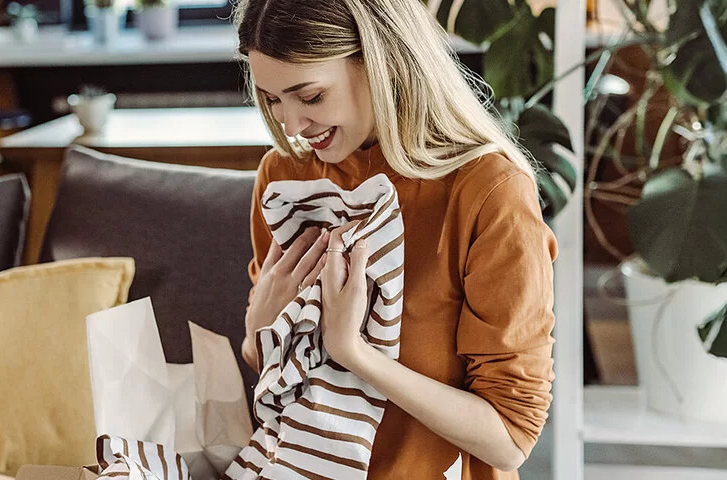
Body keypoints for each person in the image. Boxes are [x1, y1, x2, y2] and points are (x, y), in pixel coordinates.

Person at [235, 0, 559, 477]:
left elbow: (510, 439)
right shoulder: (284, 177)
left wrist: (355, 352)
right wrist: (256, 333)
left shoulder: (488, 192)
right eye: (272, 99)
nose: (291, 125)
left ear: (382, 62)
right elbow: (276, 371)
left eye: (310, 97)